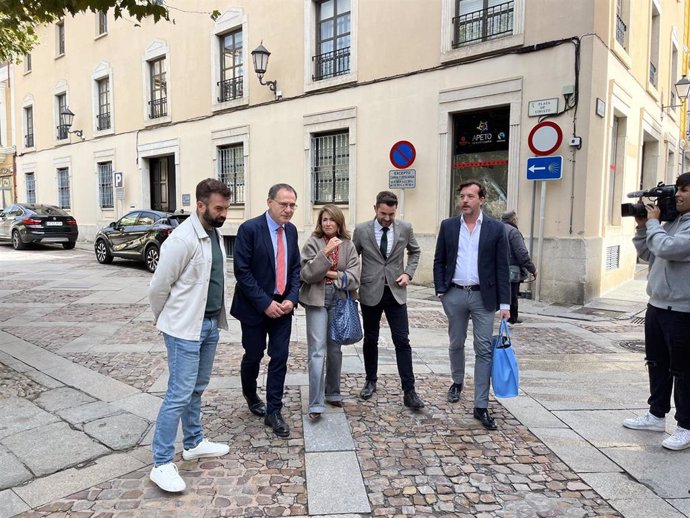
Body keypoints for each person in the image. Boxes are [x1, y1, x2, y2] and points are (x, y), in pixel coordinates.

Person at [148, 178, 232, 492]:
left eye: (225, 208)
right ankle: (161, 462)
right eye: (218, 208)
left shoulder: (215, 234)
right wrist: (167, 320)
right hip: (184, 329)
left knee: (197, 387)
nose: (224, 213)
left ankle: (194, 441)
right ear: (200, 205)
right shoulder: (182, 239)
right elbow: (158, 287)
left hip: (209, 324)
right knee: (178, 394)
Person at [433, 180, 511, 430]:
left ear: (481, 200)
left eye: (470, 196)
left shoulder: (495, 229)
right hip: (454, 294)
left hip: (483, 297)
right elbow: (439, 259)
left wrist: (505, 303)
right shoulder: (447, 226)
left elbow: (502, 267)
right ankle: (457, 382)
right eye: (462, 196)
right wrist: (440, 289)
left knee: (484, 349)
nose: (464, 200)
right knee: (456, 342)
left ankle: (481, 405)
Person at [623, 172, 690, 451]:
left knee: (684, 371)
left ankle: (686, 426)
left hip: (683, 311)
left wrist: (653, 224)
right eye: (678, 190)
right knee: (656, 363)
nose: (678, 195)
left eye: (685, 190)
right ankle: (655, 415)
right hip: (657, 306)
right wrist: (642, 228)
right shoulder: (671, 223)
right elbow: (650, 253)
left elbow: (667, 247)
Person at [230, 183, 300, 438]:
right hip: (254, 306)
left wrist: (292, 299)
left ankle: (274, 411)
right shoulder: (249, 229)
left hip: (283, 307)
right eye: (284, 204)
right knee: (254, 354)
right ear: (269, 202)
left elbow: (295, 269)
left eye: (292, 205)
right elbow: (242, 272)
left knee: (279, 356)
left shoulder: (291, 232)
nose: (289, 210)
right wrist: (265, 304)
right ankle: (250, 394)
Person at [352, 191, 425, 409]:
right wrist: (351, 280)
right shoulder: (362, 230)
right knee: (370, 339)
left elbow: (415, 252)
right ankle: (370, 380)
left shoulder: (405, 228)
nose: (387, 218)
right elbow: (353, 256)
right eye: (383, 213)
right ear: (375, 208)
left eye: (391, 214)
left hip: (396, 292)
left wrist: (408, 273)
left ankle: (409, 390)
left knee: (402, 341)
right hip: (370, 292)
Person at [299, 205, 360, 420]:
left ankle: (332, 391)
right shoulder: (313, 243)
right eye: (324, 219)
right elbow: (306, 274)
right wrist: (324, 254)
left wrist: (331, 274)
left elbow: (354, 278)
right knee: (317, 351)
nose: (328, 223)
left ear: (339, 222)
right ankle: (315, 403)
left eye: (332, 220)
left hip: (340, 299)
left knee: (335, 349)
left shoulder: (349, 245)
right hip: (316, 299)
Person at [501, 210, 536, 324]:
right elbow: (521, 253)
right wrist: (532, 269)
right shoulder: (513, 232)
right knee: (512, 293)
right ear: (513, 219)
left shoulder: (497, 229)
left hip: (497, 268)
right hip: (511, 269)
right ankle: (512, 318)